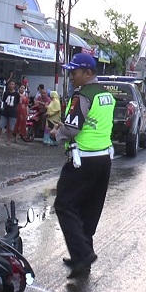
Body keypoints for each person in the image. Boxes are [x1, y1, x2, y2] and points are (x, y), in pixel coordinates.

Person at [49, 53, 115, 278]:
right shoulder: (106, 95)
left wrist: (57, 132)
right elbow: (94, 123)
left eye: (74, 72)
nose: (71, 77)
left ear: (88, 73)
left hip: (82, 160)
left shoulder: (83, 96)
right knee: (89, 210)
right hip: (103, 159)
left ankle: (83, 255)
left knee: (64, 205)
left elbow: (72, 129)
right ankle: (82, 257)